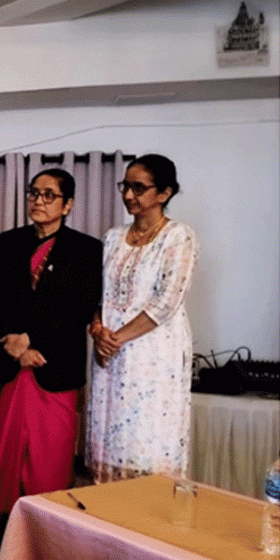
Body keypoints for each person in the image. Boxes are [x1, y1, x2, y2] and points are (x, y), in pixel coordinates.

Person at [0, 169, 102, 549]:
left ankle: (47, 538)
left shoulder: (87, 249)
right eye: (33, 193)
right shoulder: (10, 241)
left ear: (68, 205)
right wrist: (12, 340)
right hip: (14, 362)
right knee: (6, 448)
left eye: (49, 195)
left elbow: (81, 308)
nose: (38, 200)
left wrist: (33, 340)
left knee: (49, 455)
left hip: (56, 364)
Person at [87, 154, 198, 483]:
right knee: (110, 436)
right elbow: (98, 294)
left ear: (164, 193)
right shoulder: (112, 237)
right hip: (109, 353)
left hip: (153, 354)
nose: (128, 195)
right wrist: (97, 329)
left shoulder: (179, 236)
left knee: (148, 437)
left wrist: (115, 339)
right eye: (125, 186)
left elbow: (167, 301)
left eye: (138, 188)